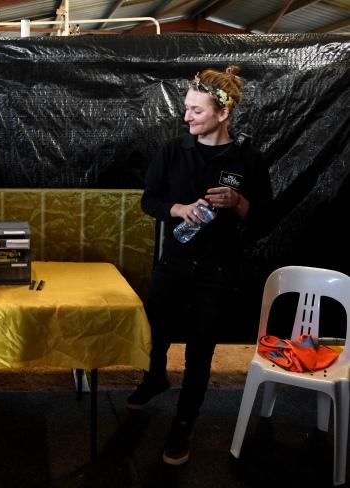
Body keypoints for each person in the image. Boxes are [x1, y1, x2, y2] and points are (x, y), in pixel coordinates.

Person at [127, 65, 273, 465]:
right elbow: (149, 200)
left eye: (196, 110)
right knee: (155, 330)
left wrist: (238, 202)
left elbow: (264, 216)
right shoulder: (174, 151)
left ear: (222, 114)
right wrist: (178, 208)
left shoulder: (248, 159)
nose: (187, 116)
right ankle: (155, 377)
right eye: (187, 109)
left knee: (200, 350)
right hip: (173, 263)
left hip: (219, 271)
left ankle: (183, 423)